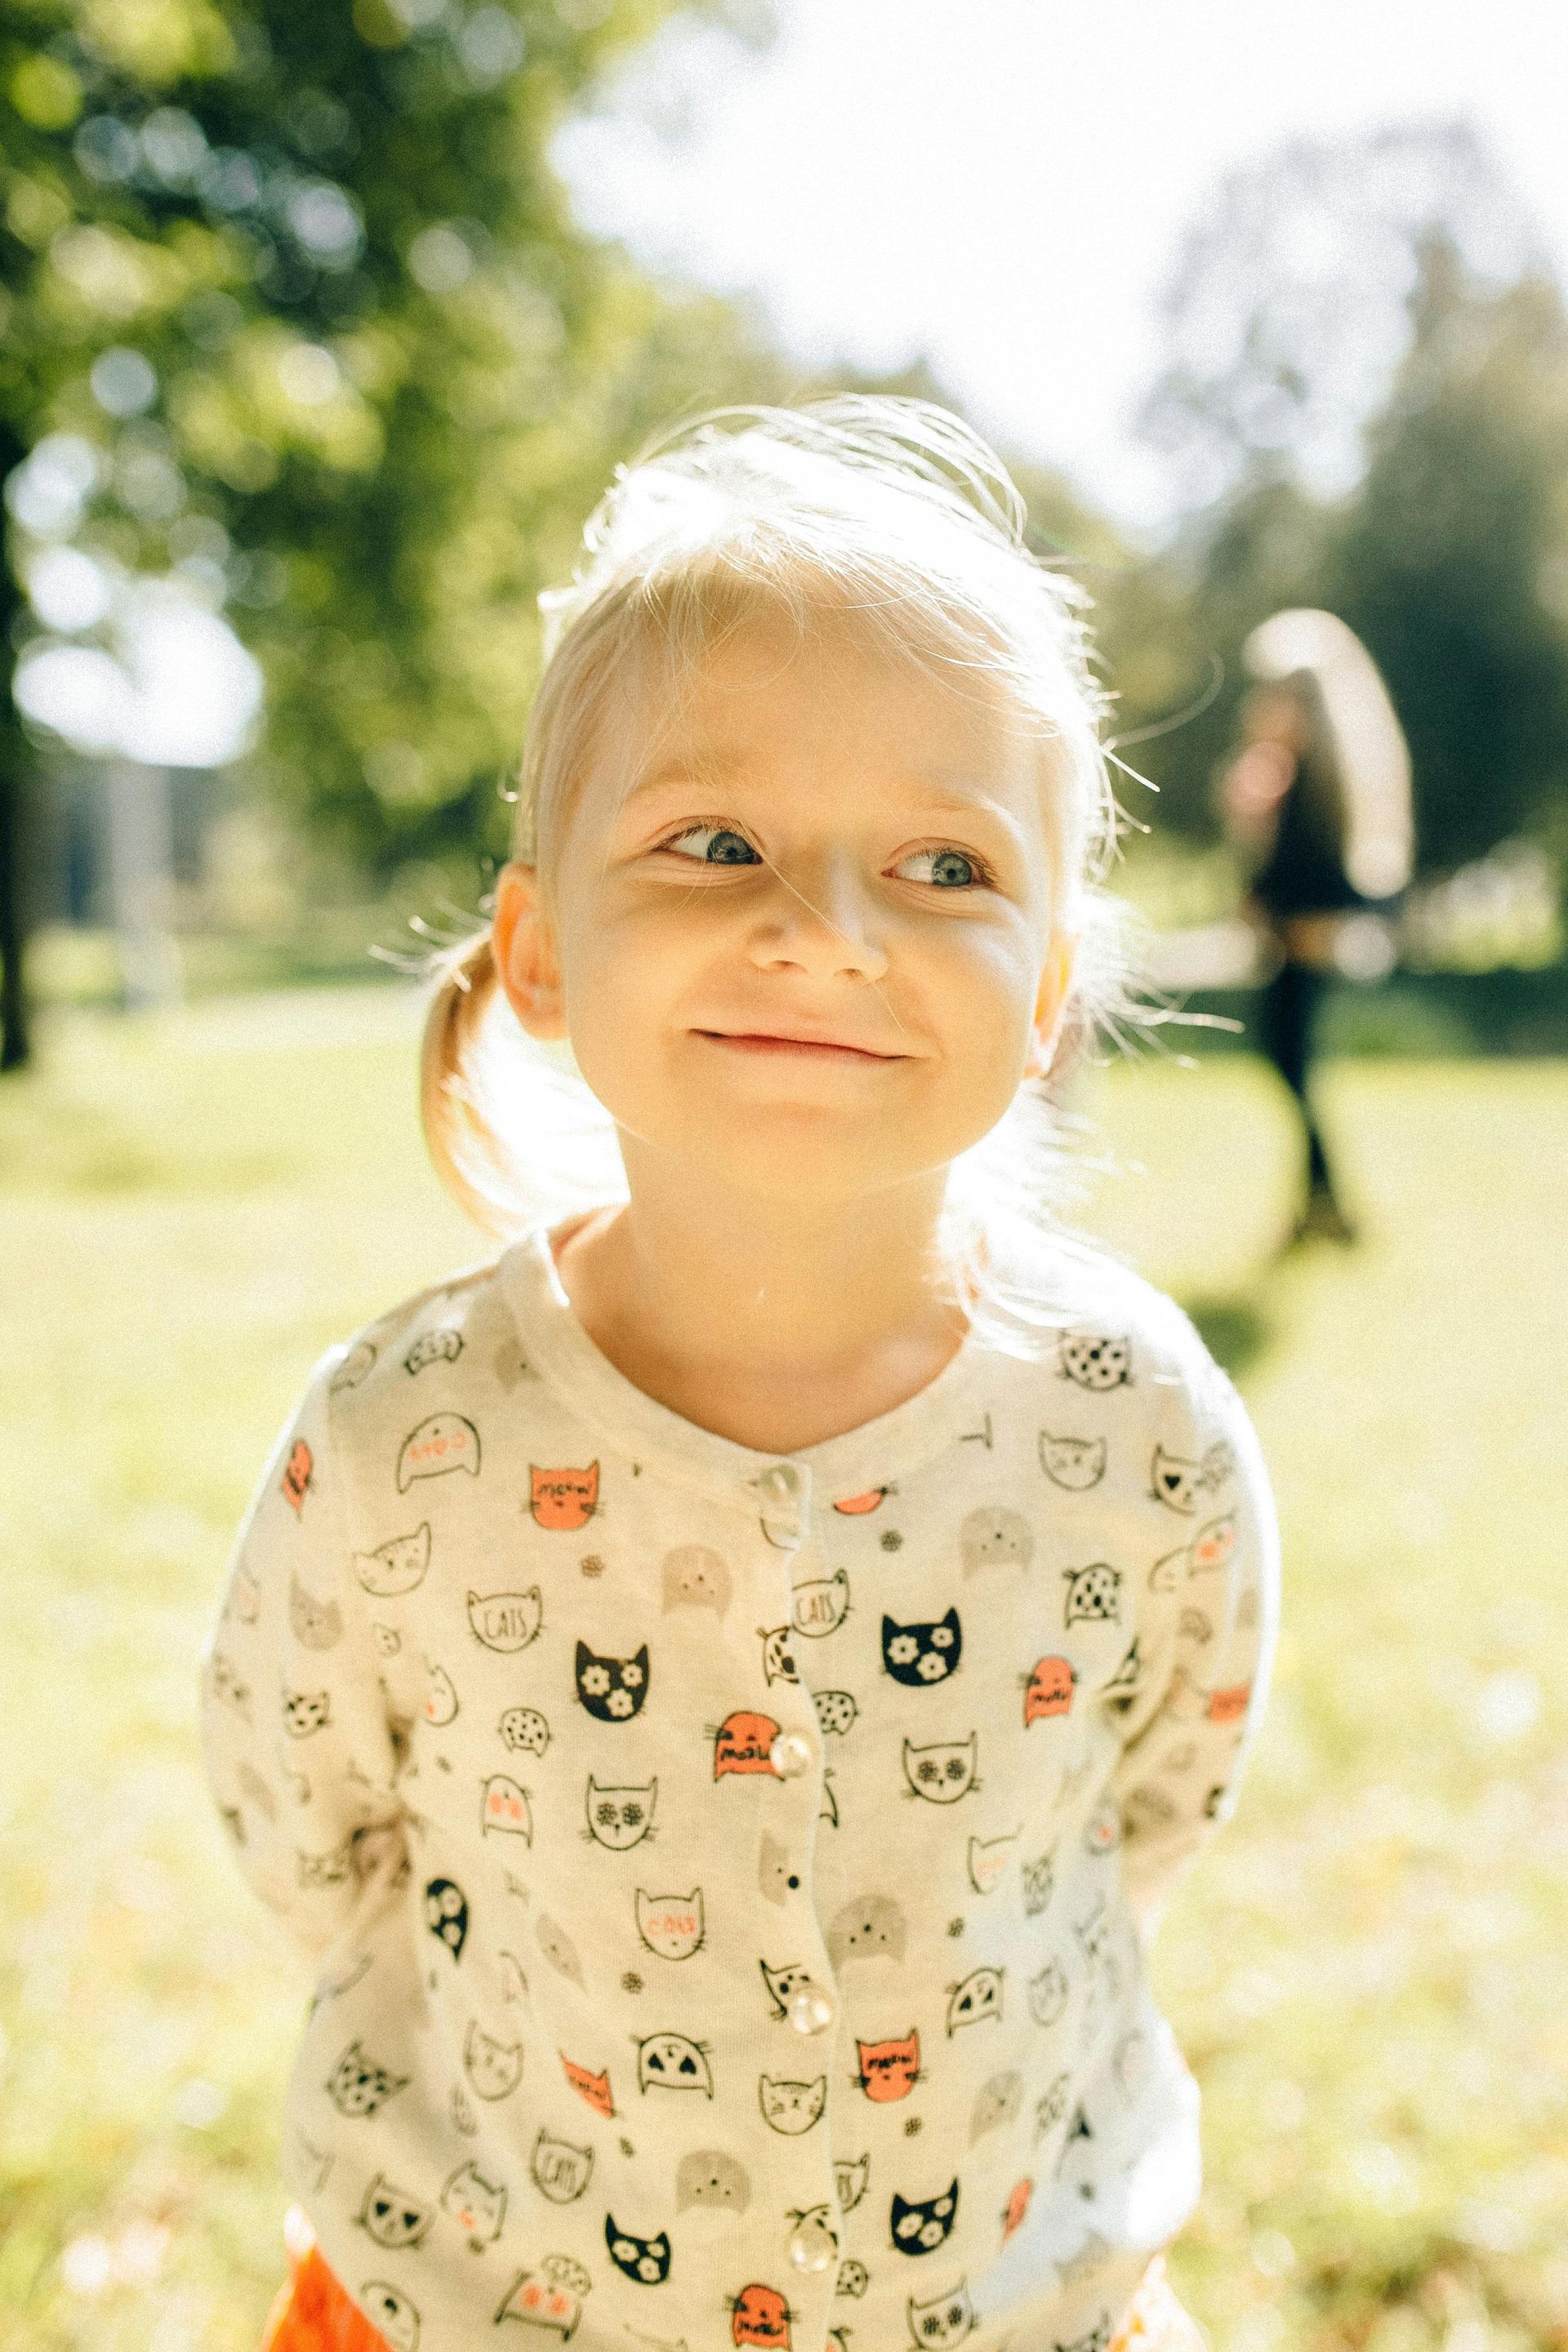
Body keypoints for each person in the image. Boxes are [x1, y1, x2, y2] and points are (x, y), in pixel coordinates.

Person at [200, 397, 1281, 2352]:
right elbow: (309, 1830)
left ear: (1048, 997)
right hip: (478, 2301)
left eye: (944, 864)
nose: (824, 932)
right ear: (540, 950)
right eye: (714, 842)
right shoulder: (395, 1442)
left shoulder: (1135, 1424)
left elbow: (1152, 1797)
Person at [1218, 610, 1415, 1248]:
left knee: (1295, 1071)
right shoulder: (1284, 775)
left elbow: (1339, 879)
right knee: (1289, 1070)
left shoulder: (1327, 784)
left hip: (1308, 947)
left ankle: (1329, 1205)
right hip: (1283, 947)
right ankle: (1318, 1204)